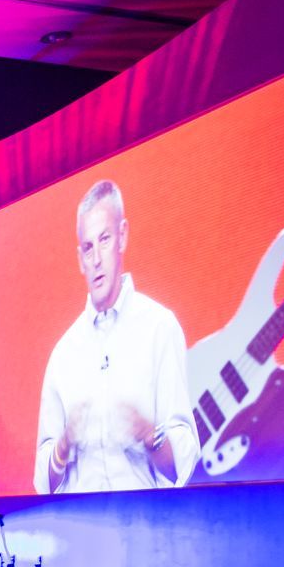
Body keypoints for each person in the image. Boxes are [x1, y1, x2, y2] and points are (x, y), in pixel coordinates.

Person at [34, 179, 198, 494]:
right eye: (87, 247)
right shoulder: (64, 354)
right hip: (82, 533)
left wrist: (150, 436)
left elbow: (185, 461)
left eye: (105, 239)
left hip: (147, 528)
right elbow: (43, 482)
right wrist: (64, 445)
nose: (96, 259)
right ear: (79, 258)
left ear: (122, 236)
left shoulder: (158, 328)